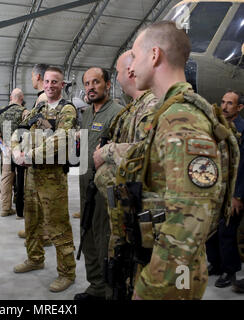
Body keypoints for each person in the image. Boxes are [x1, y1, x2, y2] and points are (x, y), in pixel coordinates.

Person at [115, 21, 238, 300]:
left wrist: (152, 288)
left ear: (155, 55)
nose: (130, 67)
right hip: (165, 258)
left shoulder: (182, 119)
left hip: (173, 273)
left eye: (135, 55)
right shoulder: (170, 112)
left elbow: (189, 220)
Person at [92, 51, 158, 285]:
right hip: (124, 213)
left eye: (118, 71)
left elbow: (147, 152)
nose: (118, 77)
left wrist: (106, 152)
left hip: (137, 214)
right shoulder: (131, 108)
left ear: (129, 72)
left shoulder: (151, 106)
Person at [12, 67, 77, 293]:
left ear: (62, 85)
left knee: (57, 224)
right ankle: (35, 258)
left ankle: (67, 272)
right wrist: (15, 150)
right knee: (31, 219)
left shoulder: (67, 109)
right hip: (31, 174)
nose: (49, 85)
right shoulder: (38, 106)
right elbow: (21, 129)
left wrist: (29, 155)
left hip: (52, 177)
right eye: (47, 81)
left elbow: (61, 139)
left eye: (55, 82)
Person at [73, 67, 122, 300]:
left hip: (105, 190)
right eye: (87, 83)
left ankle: (108, 290)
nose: (91, 87)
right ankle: (96, 285)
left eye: (96, 82)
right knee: (88, 235)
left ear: (108, 85)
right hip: (85, 186)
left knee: (105, 239)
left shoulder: (117, 113)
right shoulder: (87, 114)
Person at [206, 90, 244, 291]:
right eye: (223, 102)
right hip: (216, 189)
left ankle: (229, 271)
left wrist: (238, 195)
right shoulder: (219, 128)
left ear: (239, 108)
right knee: (210, 230)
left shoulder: (242, 130)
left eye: (230, 104)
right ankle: (216, 263)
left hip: (233, 191)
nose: (224, 106)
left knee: (226, 231)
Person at [17, 63, 50, 240]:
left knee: (40, 196)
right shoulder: (41, 97)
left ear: (38, 77)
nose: (31, 79)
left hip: (40, 154)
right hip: (35, 152)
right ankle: (35, 229)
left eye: (31, 75)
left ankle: (43, 233)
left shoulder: (43, 98)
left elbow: (44, 129)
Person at [0, 88, 29, 217]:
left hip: (6, 151)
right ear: (22, 98)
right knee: (22, 178)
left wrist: (3, 147)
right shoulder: (24, 112)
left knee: (6, 179)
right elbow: (27, 133)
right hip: (20, 151)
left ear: (10, 97)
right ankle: (20, 205)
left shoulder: (0, 112)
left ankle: (5, 208)